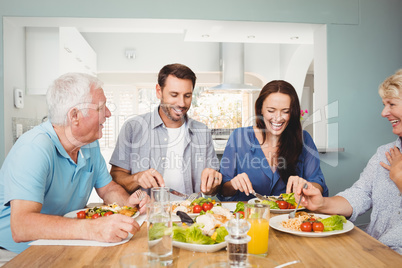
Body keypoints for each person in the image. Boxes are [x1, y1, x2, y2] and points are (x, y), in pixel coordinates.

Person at [0, 73, 149, 255]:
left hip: (59, 244)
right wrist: (93, 228)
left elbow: (108, 189)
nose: (109, 113)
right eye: (101, 107)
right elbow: (21, 227)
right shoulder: (35, 148)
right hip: (17, 253)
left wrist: (128, 203)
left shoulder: (89, 145)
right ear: (75, 115)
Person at [296, 70, 402, 254]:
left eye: (391, 104)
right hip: (372, 248)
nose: (384, 112)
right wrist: (322, 204)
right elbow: (361, 193)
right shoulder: (385, 152)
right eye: (384, 104)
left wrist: (399, 178)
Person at [109, 63, 221, 199]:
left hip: (191, 215)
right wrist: (137, 178)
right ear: (158, 91)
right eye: (174, 95)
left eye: (187, 96)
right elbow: (115, 177)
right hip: (147, 214)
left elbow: (214, 189)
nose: (181, 103)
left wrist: (212, 184)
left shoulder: (202, 132)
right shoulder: (133, 128)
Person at [218, 80, 328, 201]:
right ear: (260, 109)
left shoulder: (304, 140)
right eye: (271, 110)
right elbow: (223, 189)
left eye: (285, 111)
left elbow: (319, 185)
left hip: (290, 218)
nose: (278, 118)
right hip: (247, 217)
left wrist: (306, 185)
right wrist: (233, 184)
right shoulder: (239, 137)